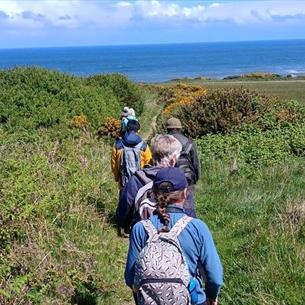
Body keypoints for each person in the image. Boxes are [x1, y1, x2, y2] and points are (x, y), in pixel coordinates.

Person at [125, 167, 223, 305]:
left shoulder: (140, 229)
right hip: (192, 300)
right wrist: (212, 297)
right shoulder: (198, 228)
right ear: (185, 193)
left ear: (153, 194)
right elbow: (215, 278)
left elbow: (130, 278)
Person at [116, 134, 196, 232]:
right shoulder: (180, 182)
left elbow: (122, 216)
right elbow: (190, 215)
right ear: (174, 159)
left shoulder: (137, 179)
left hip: (144, 237)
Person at [111, 119, 152, 191]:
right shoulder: (144, 146)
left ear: (127, 128)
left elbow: (114, 164)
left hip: (123, 184)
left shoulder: (117, 145)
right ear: (138, 131)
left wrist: (117, 178)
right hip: (140, 184)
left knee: (123, 201)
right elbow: (149, 165)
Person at [166, 117, 200, 186]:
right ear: (180, 129)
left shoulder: (162, 143)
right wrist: (195, 179)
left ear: (167, 129)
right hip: (187, 178)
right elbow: (196, 164)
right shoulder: (189, 143)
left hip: (168, 180)